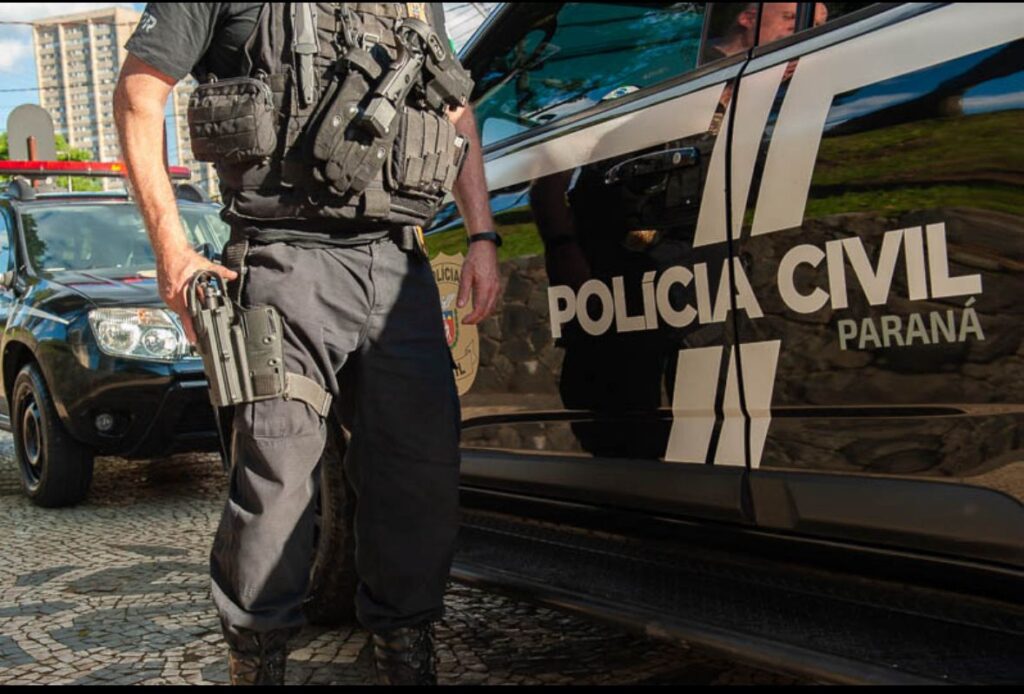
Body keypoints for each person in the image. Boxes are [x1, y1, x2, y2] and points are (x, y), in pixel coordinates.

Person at [114, 2, 501, 686]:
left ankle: (406, 655)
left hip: (397, 260)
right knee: (277, 483)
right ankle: (257, 662)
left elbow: (453, 109)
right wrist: (172, 252)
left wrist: (482, 235)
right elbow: (139, 93)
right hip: (281, 259)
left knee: (418, 476)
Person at [701, 2, 829, 63]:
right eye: (790, 17)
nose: (809, 29)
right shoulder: (698, 61)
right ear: (748, 19)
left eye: (817, 25)